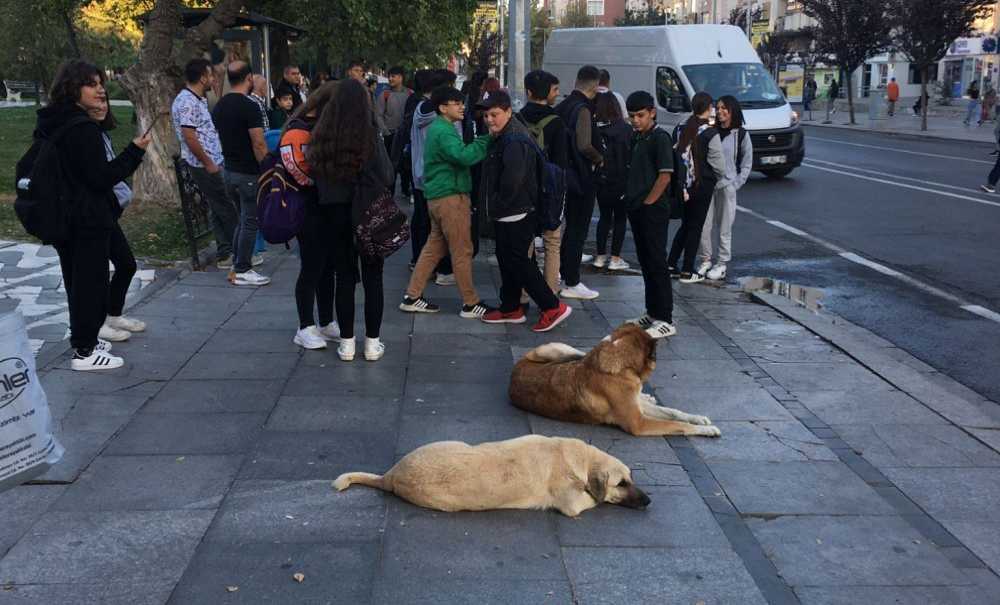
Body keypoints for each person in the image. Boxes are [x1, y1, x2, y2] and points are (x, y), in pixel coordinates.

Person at [39, 60, 149, 370]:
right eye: (92, 83)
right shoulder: (81, 127)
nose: (100, 88)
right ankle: (85, 352)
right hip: (86, 217)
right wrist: (134, 152)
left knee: (78, 282)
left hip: (65, 214)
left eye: (101, 82)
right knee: (89, 284)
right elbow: (100, 177)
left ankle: (86, 339)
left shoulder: (56, 121)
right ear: (73, 89)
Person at [310, 79, 395, 361]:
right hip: (368, 209)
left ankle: (347, 342)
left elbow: (316, 173)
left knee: (344, 277)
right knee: (374, 277)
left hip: (334, 211)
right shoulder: (370, 133)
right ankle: (372, 343)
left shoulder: (323, 134)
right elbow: (387, 174)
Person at [478, 90, 573, 332]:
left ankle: (552, 307)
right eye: (487, 115)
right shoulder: (505, 135)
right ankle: (511, 307)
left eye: (495, 114)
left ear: (508, 112)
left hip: (516, 211)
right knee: (508, 258)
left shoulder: (514, 139)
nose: (489, 119)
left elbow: (513, 180)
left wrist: (496, 204)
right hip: (509, 210)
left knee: (519, 261)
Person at [399, 86, 494, 318]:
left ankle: (412, 296)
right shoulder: (443, 130)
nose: (462, 107)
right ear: (443, 108)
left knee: (434, 248)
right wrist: (487, 140)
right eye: (456, 103)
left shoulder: (441, 127)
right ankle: (471, 303)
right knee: (462, 250)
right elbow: (463, 156)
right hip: (450, 197)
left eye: (462, 103)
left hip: (438, 197)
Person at [279, 83, 342, 350]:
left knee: (327, 266)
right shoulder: (297, 131)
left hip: (325, 206)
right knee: (312, 266)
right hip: (308, 208)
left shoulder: (321, 127)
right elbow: (298, 170)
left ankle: (326, 320)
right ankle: (305, 325)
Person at [89, 98, 147, 345]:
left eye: (104, 100)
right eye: (96, 101)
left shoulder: (101, 135)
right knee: (96, 271)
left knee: (126, 264)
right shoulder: (84, 136)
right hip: (92, 214)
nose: (102, 106)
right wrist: (133, 152)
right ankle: (96, 325)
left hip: (107, 212)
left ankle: (113, 315)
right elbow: (103, 175)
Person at [172, 58, 239, 270]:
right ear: (202, 77)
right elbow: (190, 137)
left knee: (219, 206)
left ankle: (225, 253)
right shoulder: (187, 102)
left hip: (213, 160)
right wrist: (208, 162)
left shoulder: (197, 99)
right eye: (210, 75)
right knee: (226, 206)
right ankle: (241, 252)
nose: (213, 79)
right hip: (204, 164)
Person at [621, 91, 676, 339]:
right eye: (632, 116)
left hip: (653, 210)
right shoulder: (638, 136)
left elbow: (665, 175)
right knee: (645, 261)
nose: (635, 120)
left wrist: (648, 203)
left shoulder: (660, 138)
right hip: (637, 208)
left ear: (652, 112)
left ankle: (665, 318)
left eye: (640, 115)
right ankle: (652, 312)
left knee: (657, 262)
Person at [213, 61, 270, 286]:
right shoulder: (249, 106)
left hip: (229, 171)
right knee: (250, 222)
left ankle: (237, 266)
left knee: (241, 221)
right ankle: (243, 268)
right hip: (247, 173)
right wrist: (267, 167)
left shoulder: (220, 105)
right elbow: (258, 142)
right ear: (248, 79)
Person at [555, 65, 604, 300]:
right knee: (577, 230)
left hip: (562, 174)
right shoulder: (582, 109)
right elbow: (584, 144)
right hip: (581, 177)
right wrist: (600, 158)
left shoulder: (562, 105)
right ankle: (571, 280)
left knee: (567, 229)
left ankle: (562, 274)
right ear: (595, 86)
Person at [519, 69, 570, 295]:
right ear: (547, 92)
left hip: (523, 188)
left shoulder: (517, 118)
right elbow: (561, 162)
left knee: (525, 244)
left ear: (528, 92)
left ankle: (522, 294)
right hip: (550, 189)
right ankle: (550, 297)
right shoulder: (557, 122)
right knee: (552, 242)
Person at [667, 92, 726, 284]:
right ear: (709, 108)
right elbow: (719, 166)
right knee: (695, 227)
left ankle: (671, 264)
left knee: (686, 225)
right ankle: (687, 270)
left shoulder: (681, 127)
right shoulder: (710, 133)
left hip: (683, 186)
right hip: (702, 186)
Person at [697, 95, 753, 282]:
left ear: (732, 110)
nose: (720, 111)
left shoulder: (741, 135)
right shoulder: (710, 131)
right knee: (704, 225)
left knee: (724, 227)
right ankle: (705, 260)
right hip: (707, 185)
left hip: (727, 186)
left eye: (724, 108)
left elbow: (746, 164)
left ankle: (721, 264)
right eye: (718, 107)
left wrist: (734, 184)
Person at [407, 69, 456, 281]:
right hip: (441, 176)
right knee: (442, 227)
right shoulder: (442, 116)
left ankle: (421, 266)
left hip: (421, 175)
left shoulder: (420, 108)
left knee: (422, 222)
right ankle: (443, 270)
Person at [592, 92, 631, 272]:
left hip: (601, 179)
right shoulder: (624, 129)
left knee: (604, 218)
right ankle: (615, 257)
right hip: (621, 179)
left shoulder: (596, 128)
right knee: (620, 219)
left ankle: (600, 256)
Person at [376, 66, 411, 191]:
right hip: (390, 135)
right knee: (391, 166)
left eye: (393, 76)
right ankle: (389, 191)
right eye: (389, 76)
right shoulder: (384, 94)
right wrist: (385, 131)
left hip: (406, 136)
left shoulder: (409, 94)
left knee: (407, 164)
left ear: (401, 78)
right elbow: (378, 115)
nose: (390, 79)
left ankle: (406, 189)